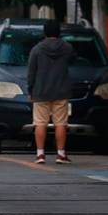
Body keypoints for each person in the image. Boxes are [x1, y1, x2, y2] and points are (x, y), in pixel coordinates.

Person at [28, 19, 75, 165]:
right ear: (59, 32)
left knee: (40, 123)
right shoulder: (67, 47)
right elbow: (73, 60)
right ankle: (61, 154)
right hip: (61, 91)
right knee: (60, 123)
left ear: (45, 32)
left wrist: (31, 90)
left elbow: (31, 72)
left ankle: (40, 154)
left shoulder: (37, 49)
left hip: (41, 91)